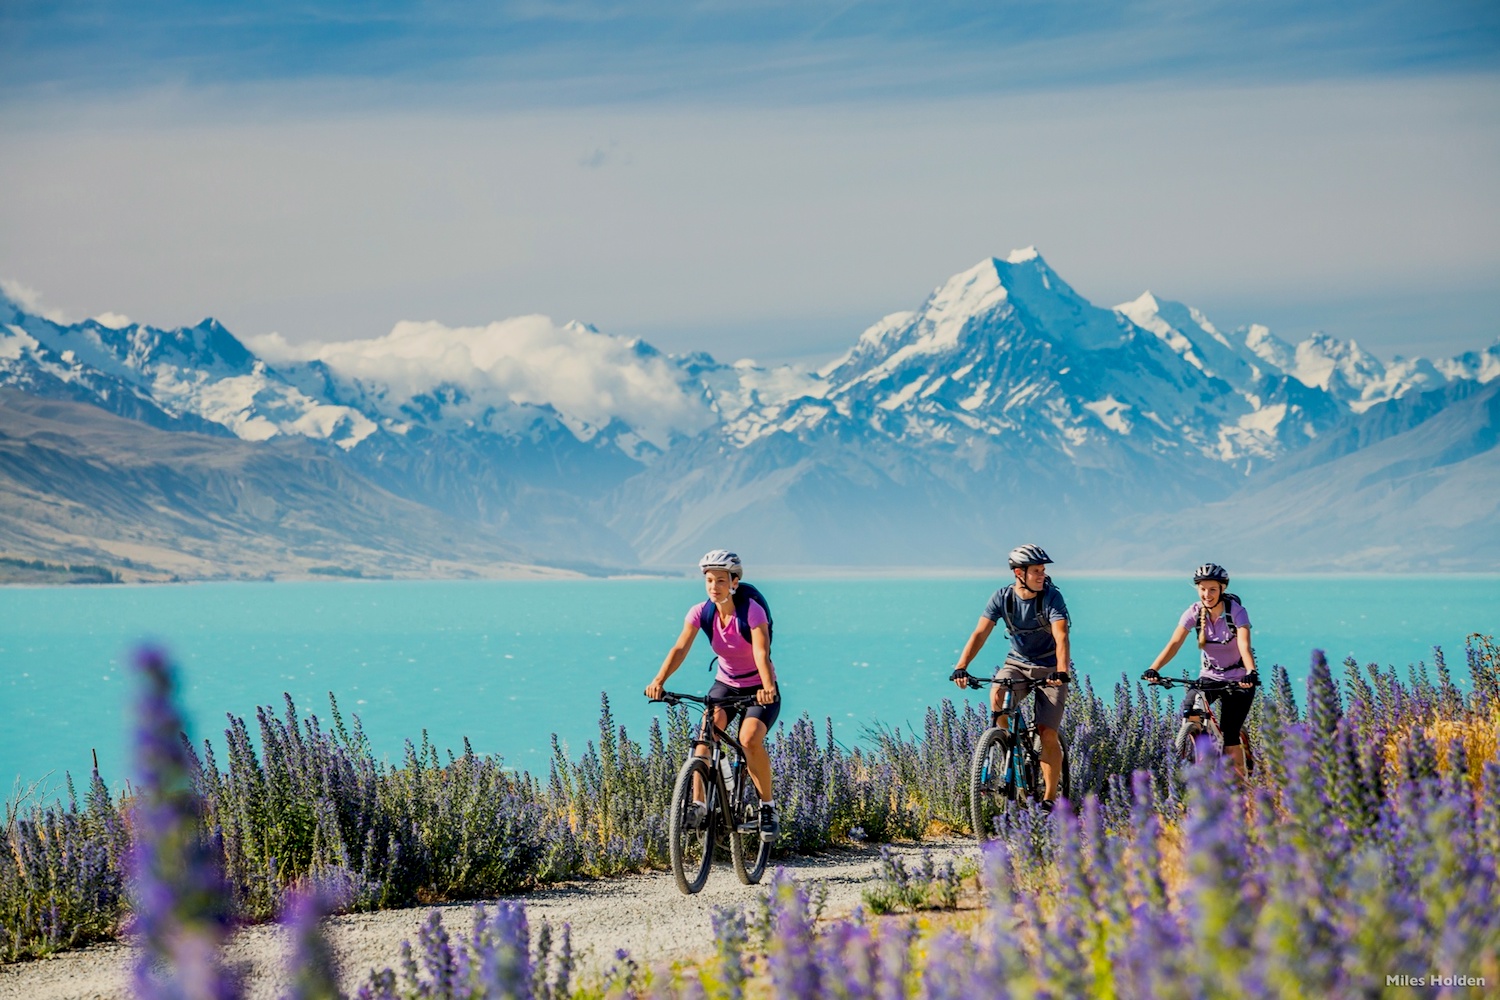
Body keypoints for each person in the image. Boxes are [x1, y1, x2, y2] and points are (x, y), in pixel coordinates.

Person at [645, 549, 781, 840]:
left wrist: (768, 687)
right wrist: (659, 680)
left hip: (759, 687)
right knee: (705, 738)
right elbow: (680, 649)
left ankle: (767, 807)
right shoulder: (700, 612)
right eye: (709, 580)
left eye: (721, 581)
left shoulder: (751, 612)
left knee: (748, 739)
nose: (714, 587)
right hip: (726, 684)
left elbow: (761, 651)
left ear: (734, 582)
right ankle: (699, 805)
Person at [949, 543, 1071, 811]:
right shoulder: (1002, 598)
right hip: (1017, 663)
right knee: (997, 692)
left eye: (1042, 570)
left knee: (1047, 732)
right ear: (1019, 573)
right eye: (1036, 571)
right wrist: (961, 666)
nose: (1042, 575)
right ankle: (1007, 743)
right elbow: (980, 633)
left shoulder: (1052, 598)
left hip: (1051, 668)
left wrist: (1062, 672)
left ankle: (1050, 799)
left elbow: (1061, 635)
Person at [1143, 562, 1259, 778]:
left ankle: (1241, 787)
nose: (1207, 594)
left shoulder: (1236, 612)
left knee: (1230, 733)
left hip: (1239, 679)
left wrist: (1251, 672)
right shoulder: (1194, 612)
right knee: (1190, 709)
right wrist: (1154, 668)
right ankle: (1202, 754)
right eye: (1203, 589)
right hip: (1210, 676)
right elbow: (1174, 643)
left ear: (1222, 589)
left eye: (1212, 589)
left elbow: (1244, 645)